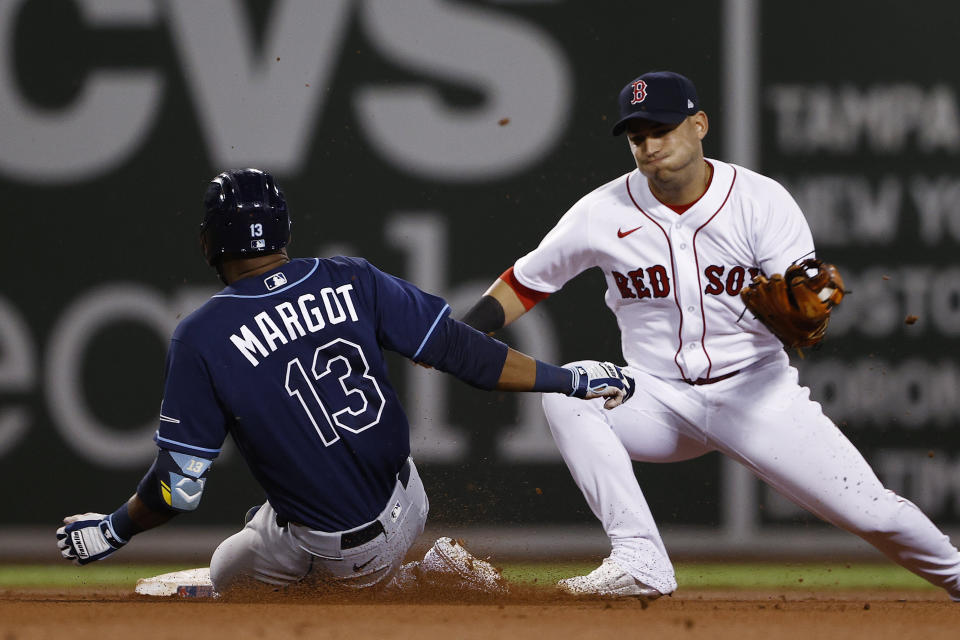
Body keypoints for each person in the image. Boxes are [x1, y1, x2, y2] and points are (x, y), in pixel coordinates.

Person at [461, 71, 960, 600]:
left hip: (756, 394)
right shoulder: (600, 212)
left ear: (699, 125)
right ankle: (639, 557)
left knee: (874, 514)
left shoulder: (760, 202)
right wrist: (462, 333)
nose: (650, 146)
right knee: (568, 393)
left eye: (663, 129)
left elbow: (805, 296)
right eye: (637, 137)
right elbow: (525, 282)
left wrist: (805, 307)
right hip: (655, 397)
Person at [55, 168, 634, 596]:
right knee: (276, 512)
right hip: (410, 499)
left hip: (334, 552)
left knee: (228, 575)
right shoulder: (350, 278)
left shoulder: (202, 334)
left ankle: (394, 585)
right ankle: (412, 569)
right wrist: (568, 379)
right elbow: (465, 353)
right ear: (283, 230)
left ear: (209, 241)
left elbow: (178, 488)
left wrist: (113, 529)